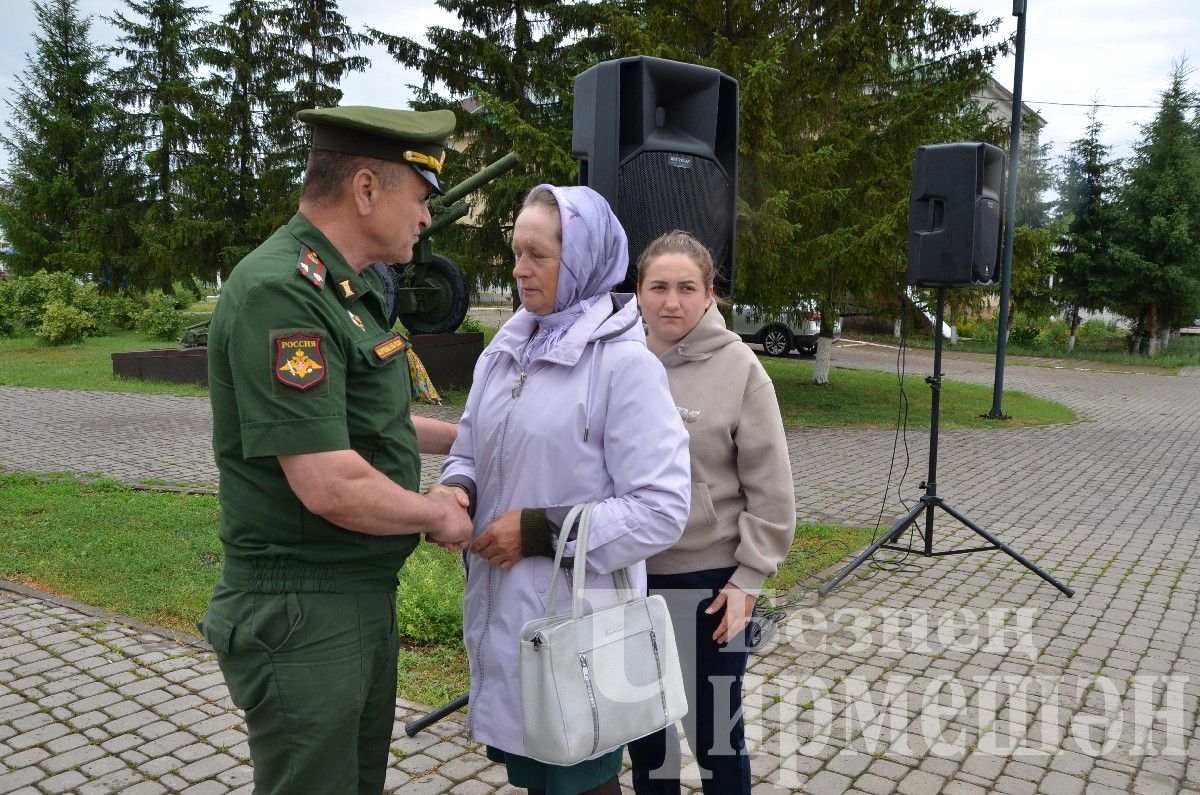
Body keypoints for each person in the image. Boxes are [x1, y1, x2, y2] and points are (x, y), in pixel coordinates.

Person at [199, 105, 474, 795]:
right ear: (365, 190)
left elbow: (361, 422)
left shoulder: (338, 288)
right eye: (420, 198)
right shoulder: (281, 292)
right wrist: (435, 512)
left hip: (351, 595)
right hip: (303, 607)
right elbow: (328, 480)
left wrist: (469, 438)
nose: (426, 220)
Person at [434, 185, 691, 795]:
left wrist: (537, 531)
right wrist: (456, 489)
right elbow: (470, 445)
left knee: (580, 773)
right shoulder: (508, 347)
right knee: (537, 773)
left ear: (581, 260)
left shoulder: (623, 366)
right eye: (516, 252)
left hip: (578, 624)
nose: (520, 270)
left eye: (538, 255)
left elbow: (661, 509)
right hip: (506, 611)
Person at [627, 231, 796, 794]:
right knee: (648, 741)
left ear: (708, 295)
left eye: (685, 288)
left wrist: (749, 579)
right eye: (658, 287)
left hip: (708, 586)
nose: (670, 301)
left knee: (715, 739)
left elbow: (770, 488)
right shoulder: (615, 357)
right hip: (626, 579)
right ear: (639, 291)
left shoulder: (741, 368)